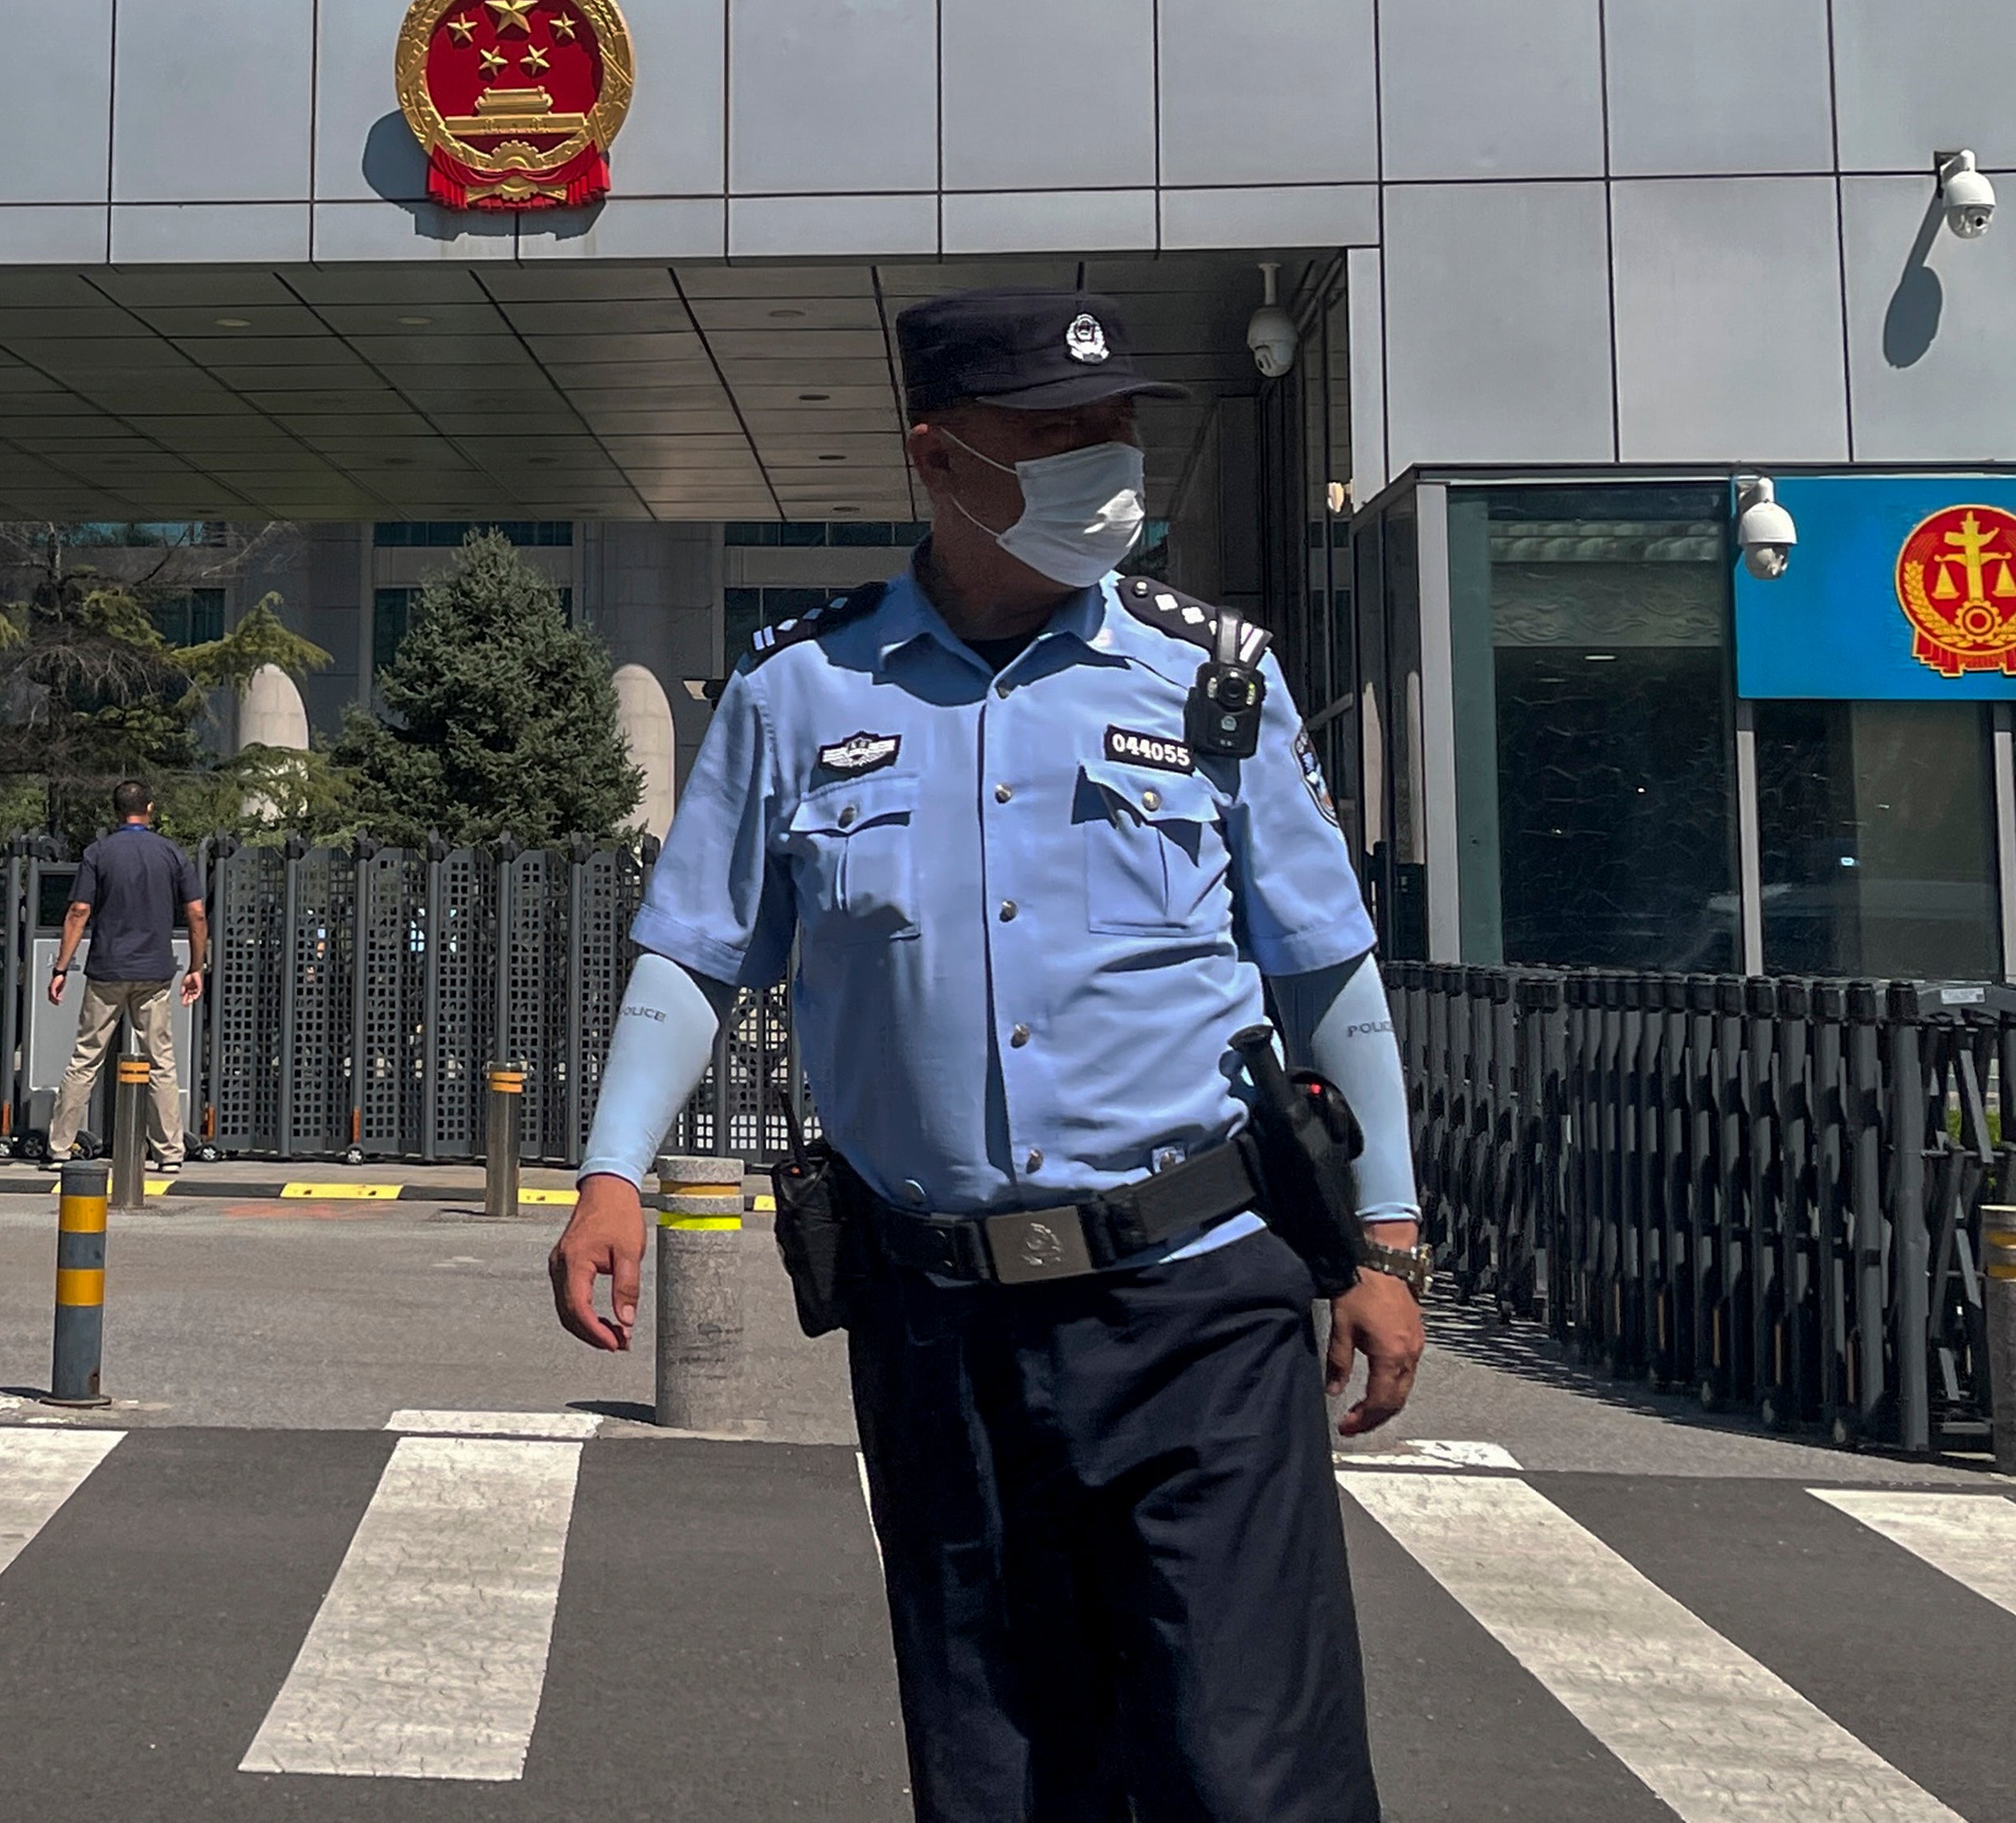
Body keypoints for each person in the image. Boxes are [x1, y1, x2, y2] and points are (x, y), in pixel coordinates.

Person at [549, 287, 1426, 1823]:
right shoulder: (798, 689)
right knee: (996, 1752)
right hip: (938, 1312)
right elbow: (694, 948)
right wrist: (612, 1167)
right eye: (1058, 433)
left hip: (1196, 1292)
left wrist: (1387, 1240)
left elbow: (1324, 966)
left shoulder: (1208, 675)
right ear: (940, 458)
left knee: (1249, 1762)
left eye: (1116, 425)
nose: (1108, 461)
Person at [45, 779, 205, 1170]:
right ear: (149, 808)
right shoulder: (171, 853)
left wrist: (61, 967)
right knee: (161, 1061)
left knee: (86, 1058)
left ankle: (60, 1148)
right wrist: (197, 967)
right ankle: (169, 1153)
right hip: (154, 972)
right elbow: (197, 913)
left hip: (106, 970)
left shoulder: (98, 853)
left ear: (116, 812)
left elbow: (79, 911)